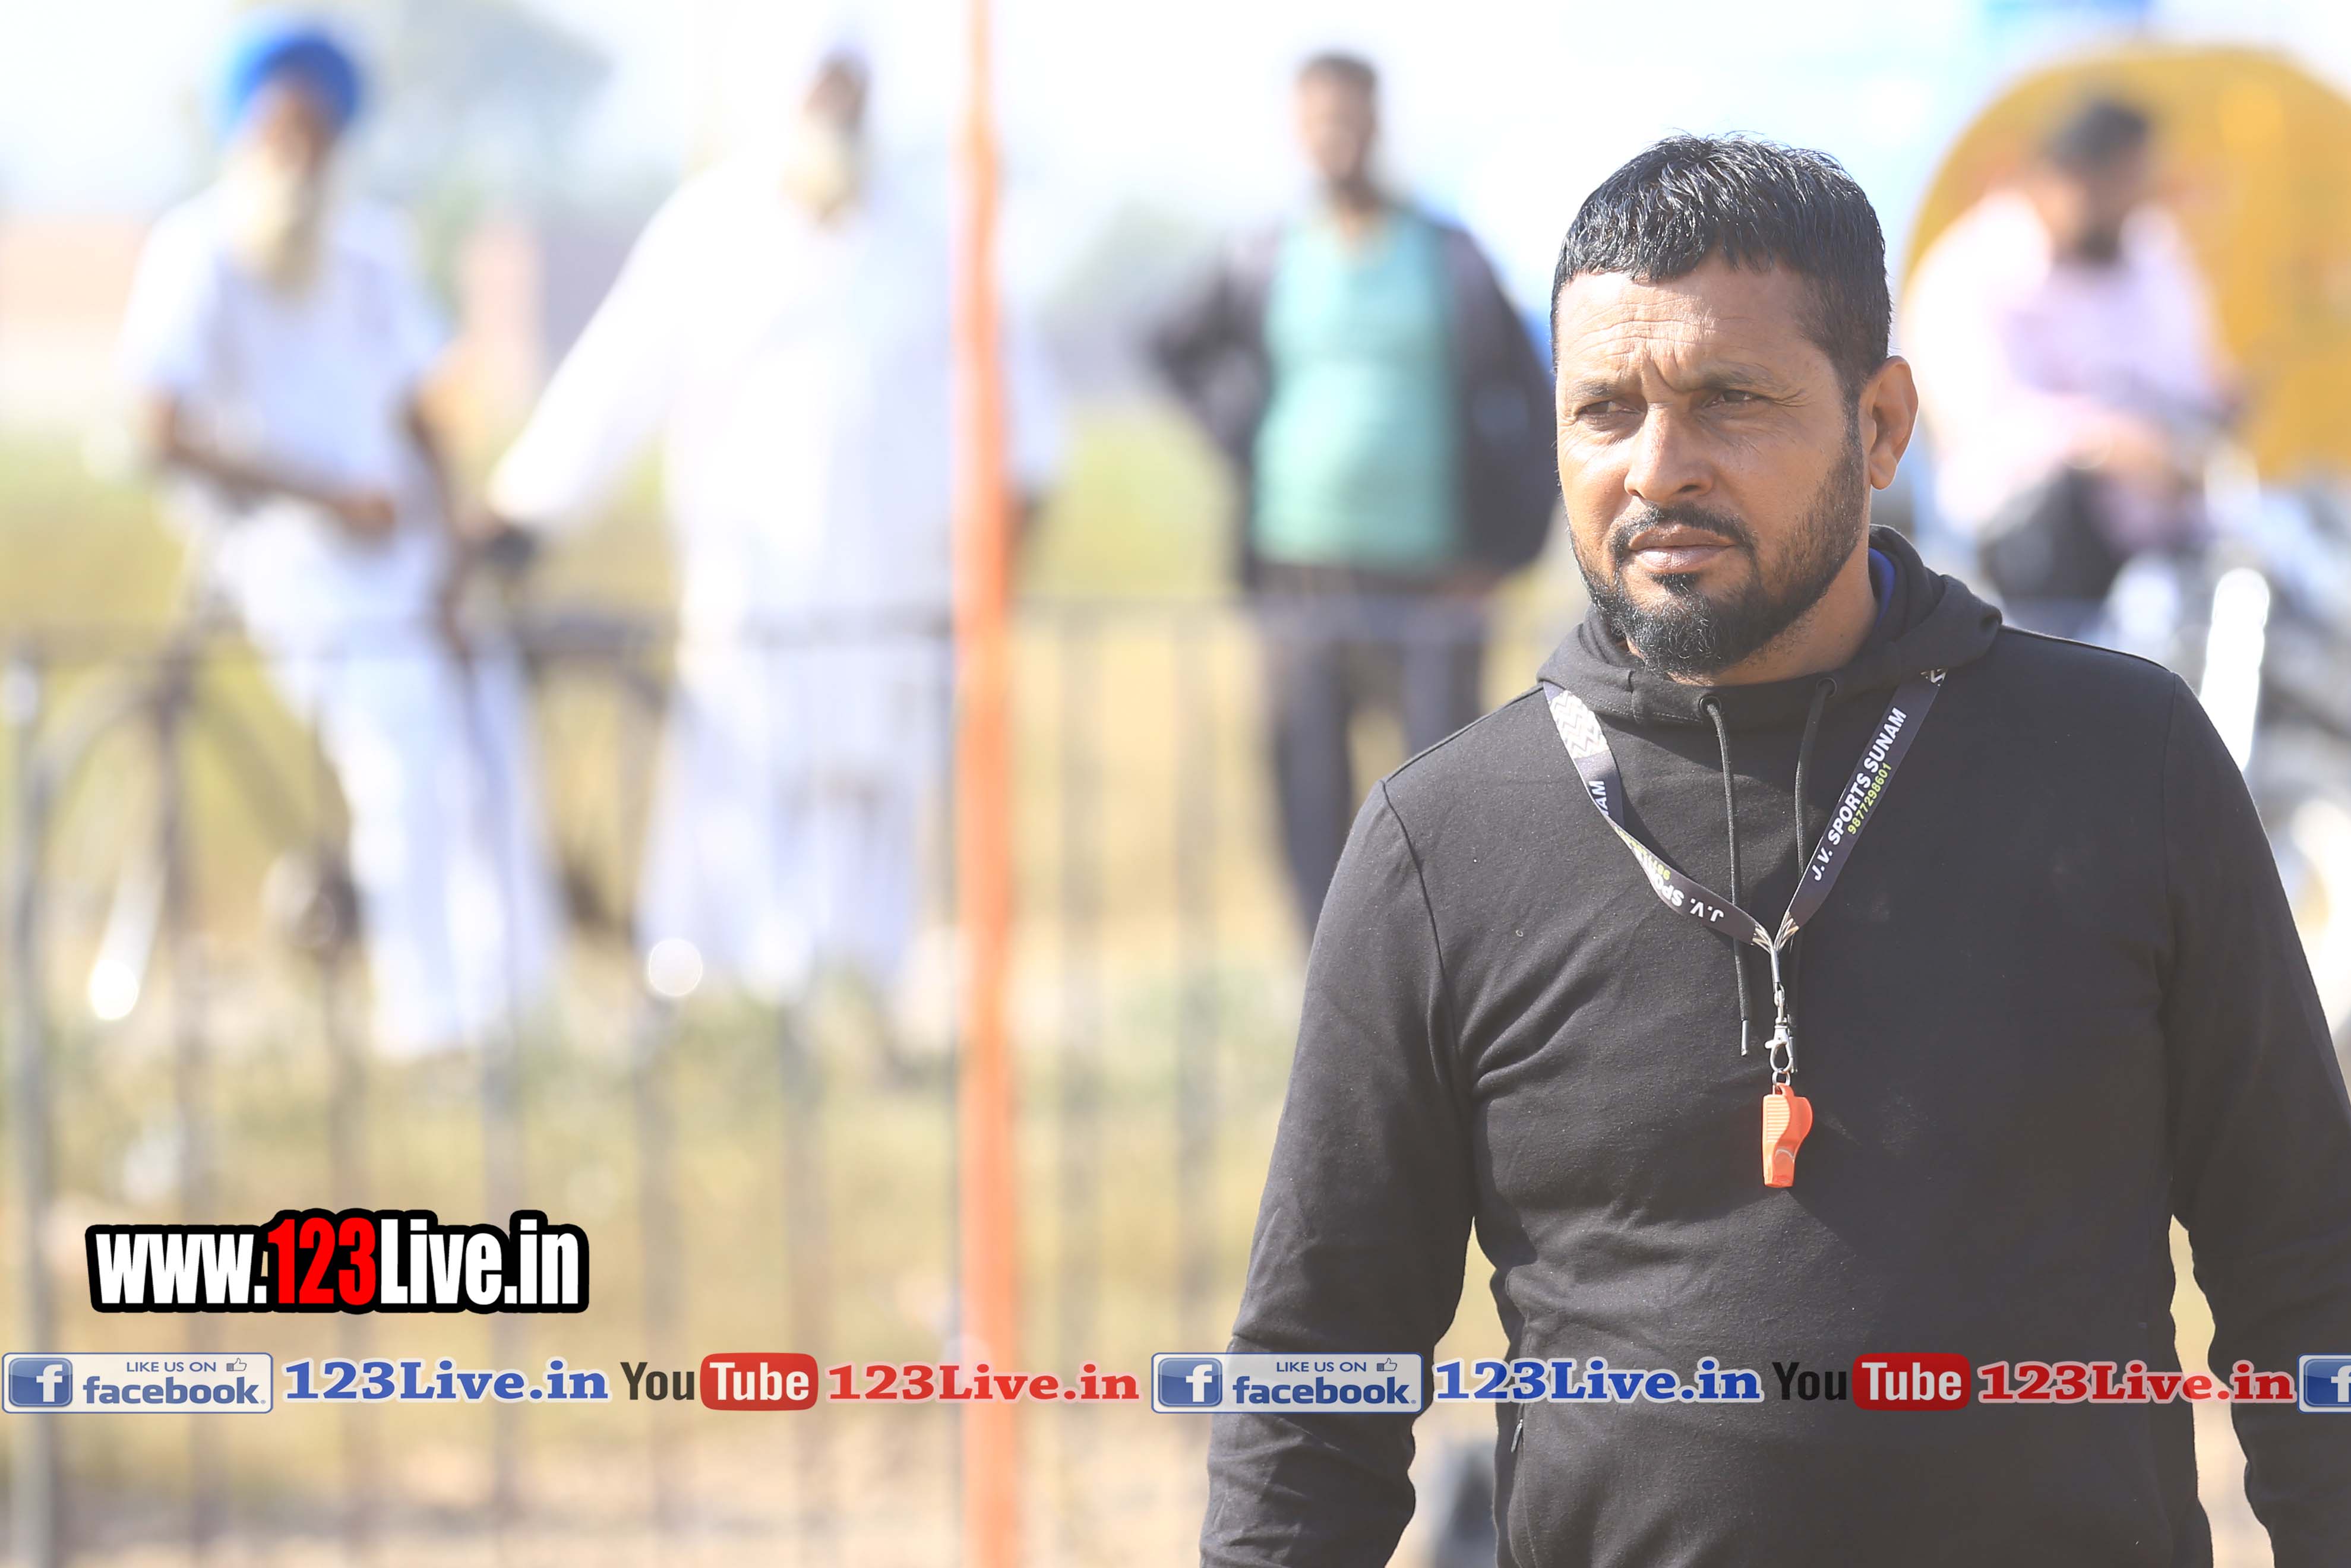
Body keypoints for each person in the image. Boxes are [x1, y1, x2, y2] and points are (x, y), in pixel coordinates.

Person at [1186, 135, 2351, 1568]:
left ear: (1879, 425)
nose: (1656, 463)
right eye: (1606, 407)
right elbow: (1320, 1365)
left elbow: (2306, 1275)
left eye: (1730, 402)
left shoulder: (2121, 770)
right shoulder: (1445, 851)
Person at [480, 24, 1063, 1008]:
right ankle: (723, 1015)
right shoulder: (708, 230)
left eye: (851, 94)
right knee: (733, 800)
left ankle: (852, 1015)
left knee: (868, 809)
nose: (836, 114)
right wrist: (521, 513)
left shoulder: (930, 242)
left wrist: (991, 592)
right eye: (819, 93)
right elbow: (612, 387)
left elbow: (1027, 439)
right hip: (750, 590)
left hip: (897, 596)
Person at [121, 17, 555, 1061]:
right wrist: (321, 498)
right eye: (281, 131)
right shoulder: (196, 251)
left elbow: (419, 405)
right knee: (400, 740)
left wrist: (451, 549)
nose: (298, 153)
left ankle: (519, 1011)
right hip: (279, 552)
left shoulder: (369, 250)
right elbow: (160, 423)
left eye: (315, 133)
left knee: (489, 725)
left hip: (400, 545)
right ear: (247, 133)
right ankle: (427, 1024)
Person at [1149, 52, 1556, 933]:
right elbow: (1169, 347)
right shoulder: (1261, 256)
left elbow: (1538, 400)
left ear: (1377, 122)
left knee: (1446, 791)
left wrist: (1505, 553)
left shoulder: (1447, 256)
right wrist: (1239, 432)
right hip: (1298, 578)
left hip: (1432, 581)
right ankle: (1325, 971)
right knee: (1306, 793)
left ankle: (1449, 973)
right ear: (1295, 130)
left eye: (1347, 116)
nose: (1332, 136)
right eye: (1316, 119)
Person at [1900, 95, 2231, 626]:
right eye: (2123, 188)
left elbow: (2188, 377)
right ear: (2066, 177)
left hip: (2165, 547)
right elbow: (1984, 431)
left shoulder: (2150, 251)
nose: (2136, 207)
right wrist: (2108, 446)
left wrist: (2209, 413)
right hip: (2027, 561)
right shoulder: (1969, 272)